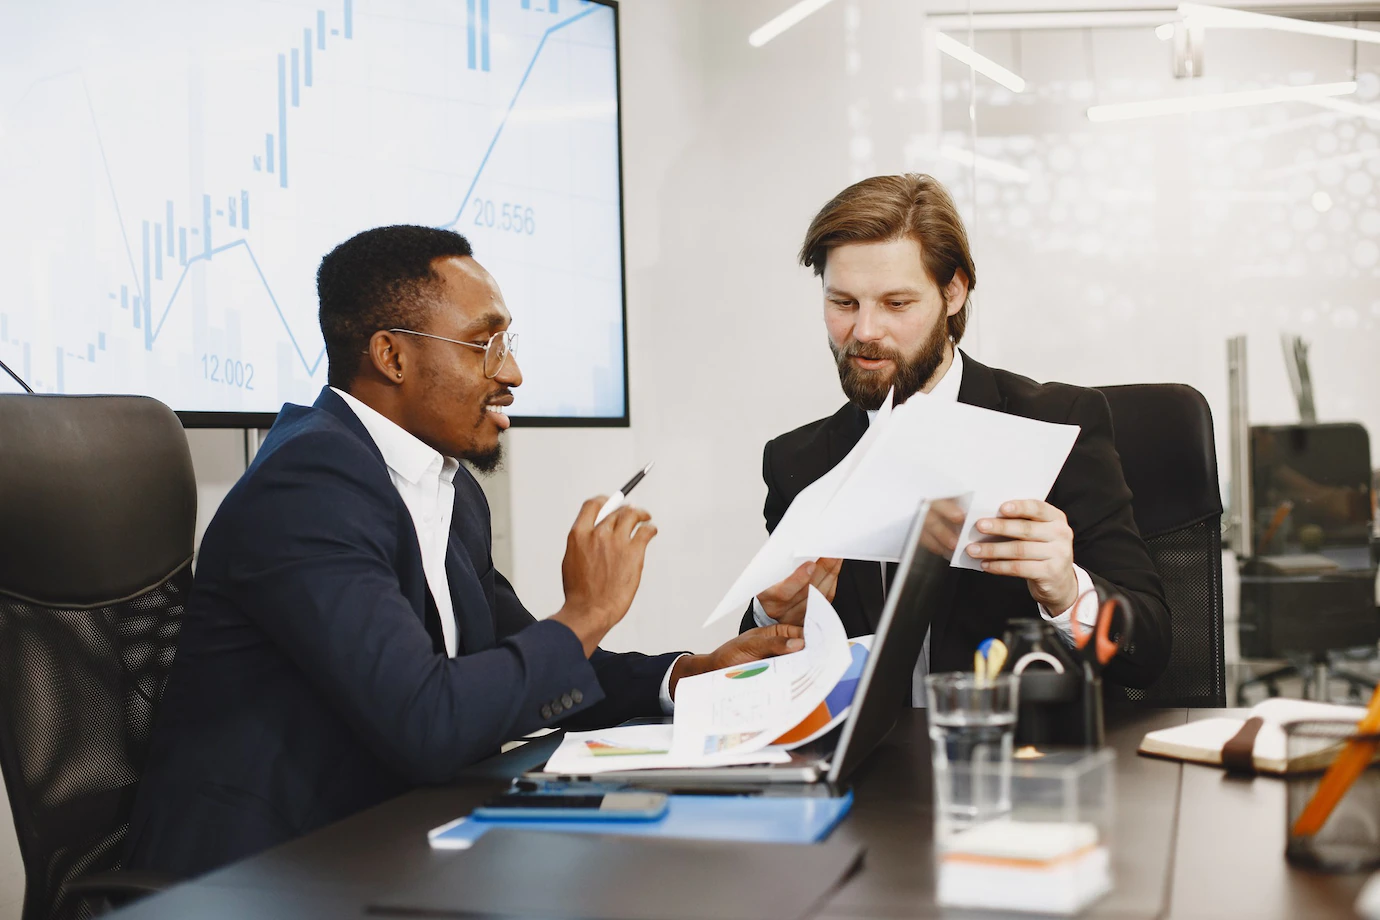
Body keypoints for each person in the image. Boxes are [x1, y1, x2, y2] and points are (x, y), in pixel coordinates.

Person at [125, 225, 802, 878]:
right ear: (392, 356)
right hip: (270, 871)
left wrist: (689, 675)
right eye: (484, 344)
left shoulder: (445, 487)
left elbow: (513, 664)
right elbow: (427, 723)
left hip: (389, 839)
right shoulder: (308, 487)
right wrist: (588, 611)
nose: (512, 372)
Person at [740, 174, 1170, 696]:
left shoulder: (1054, 425)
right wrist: (772, 615)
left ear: (953, 292)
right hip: (872, 765)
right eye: (844, 303)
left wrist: (1065, 590)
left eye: (897, 304)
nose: (866, 331)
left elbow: (1148, 654)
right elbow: (759, 679)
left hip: (1013, 759)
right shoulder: (798, 461)